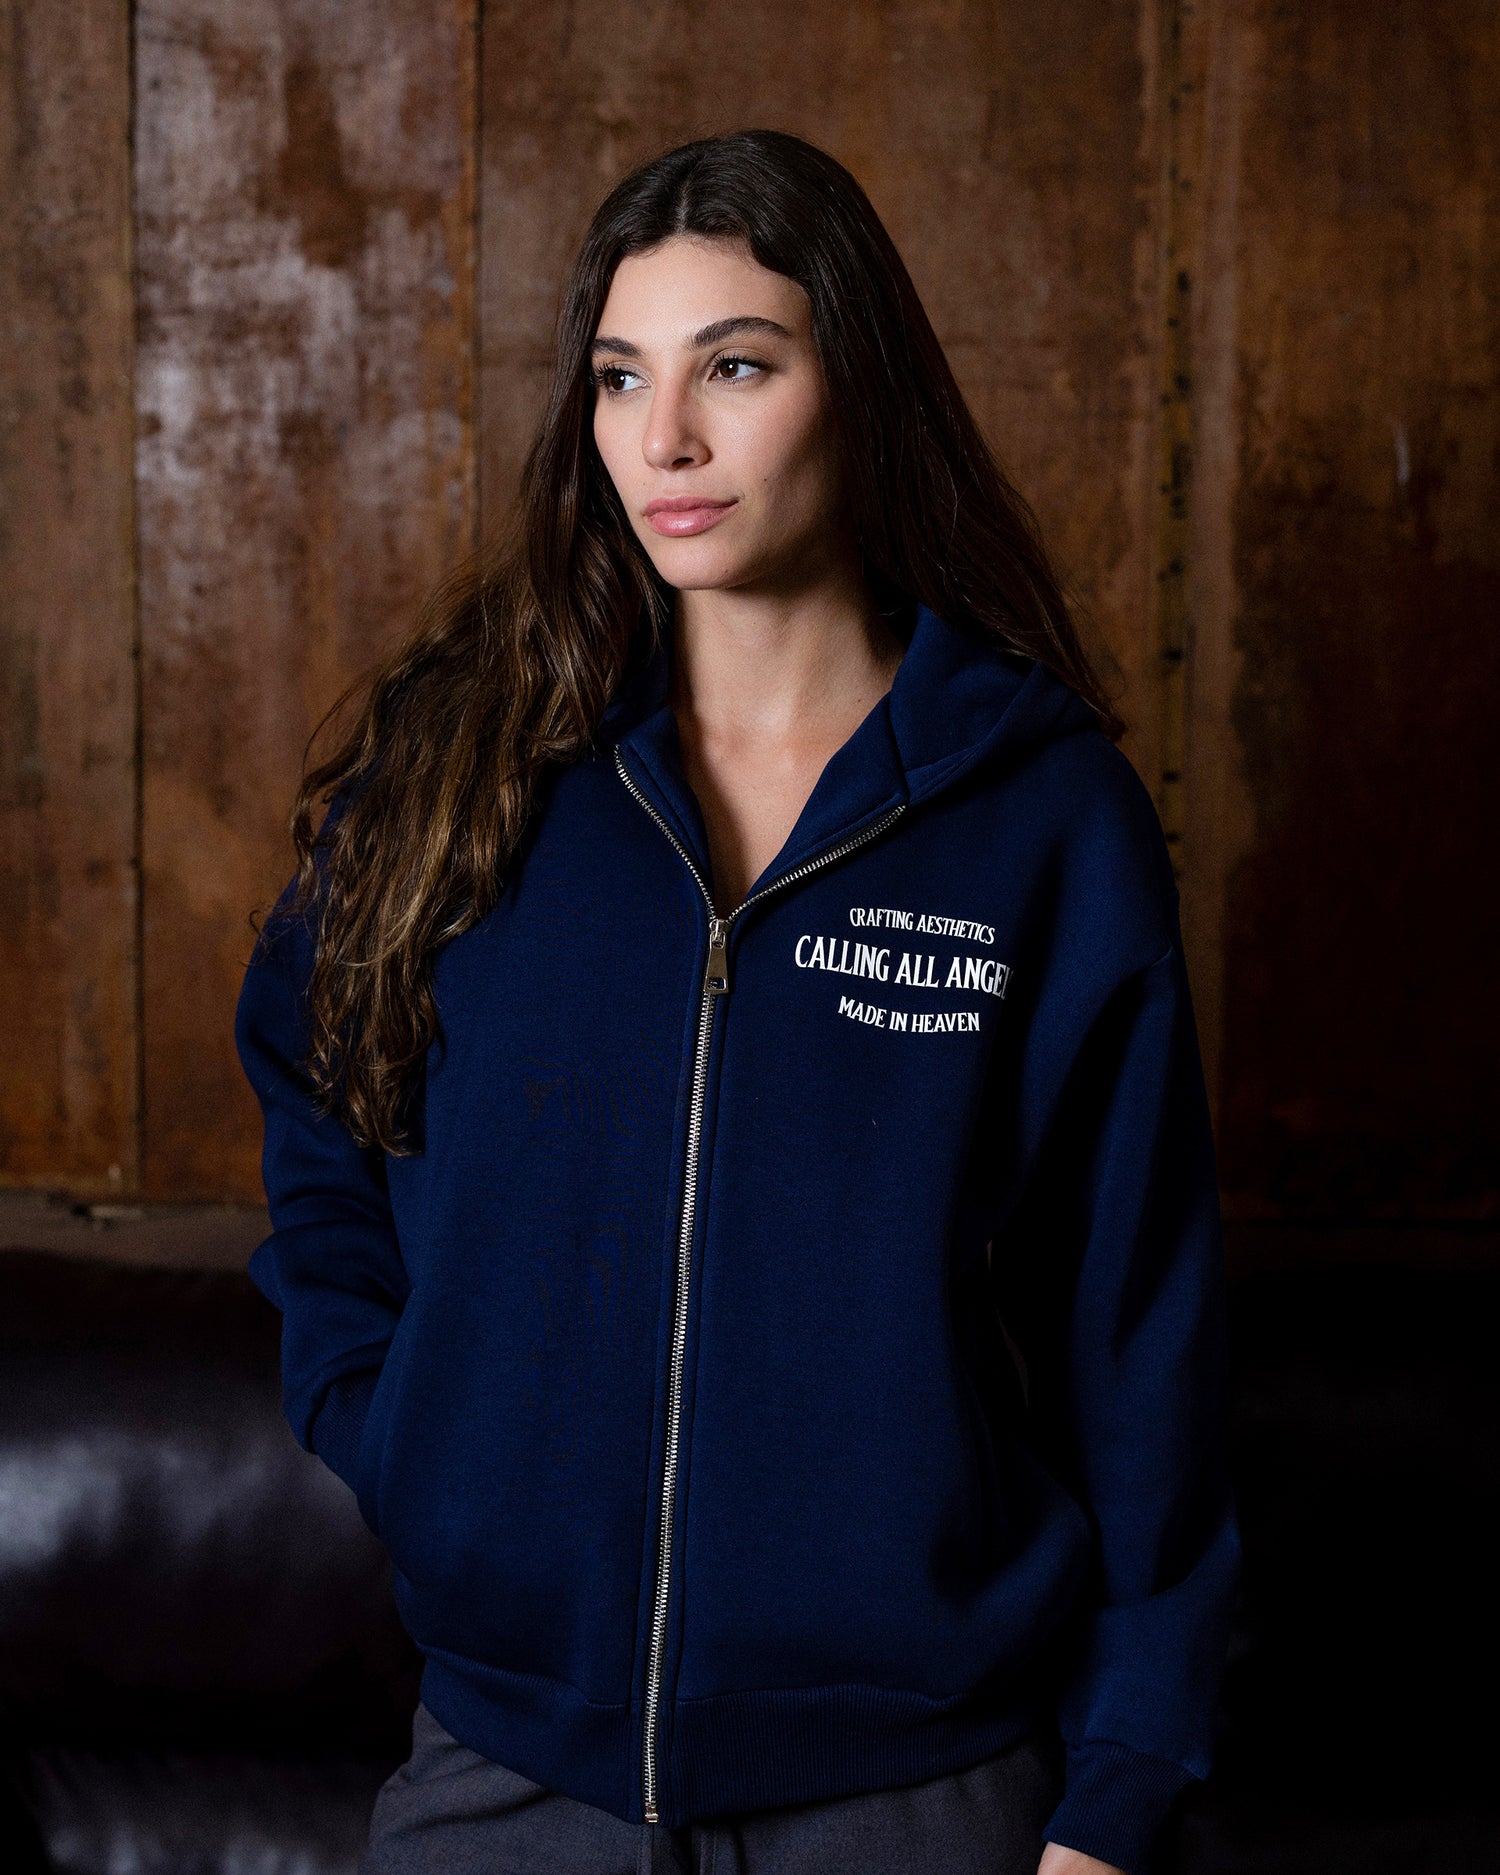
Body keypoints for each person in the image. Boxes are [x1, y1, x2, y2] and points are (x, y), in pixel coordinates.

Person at [235, 128, 1241, 1875]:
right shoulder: (476, 767)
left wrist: (1121, 1787)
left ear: (860, 390)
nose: (666, 441)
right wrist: (402, 1421)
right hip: (507, 1778)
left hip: (914, 1794)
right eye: (623, 377)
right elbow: (314, 1079)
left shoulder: (1040, 818)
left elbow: (1138, 1333)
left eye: (737, 368)